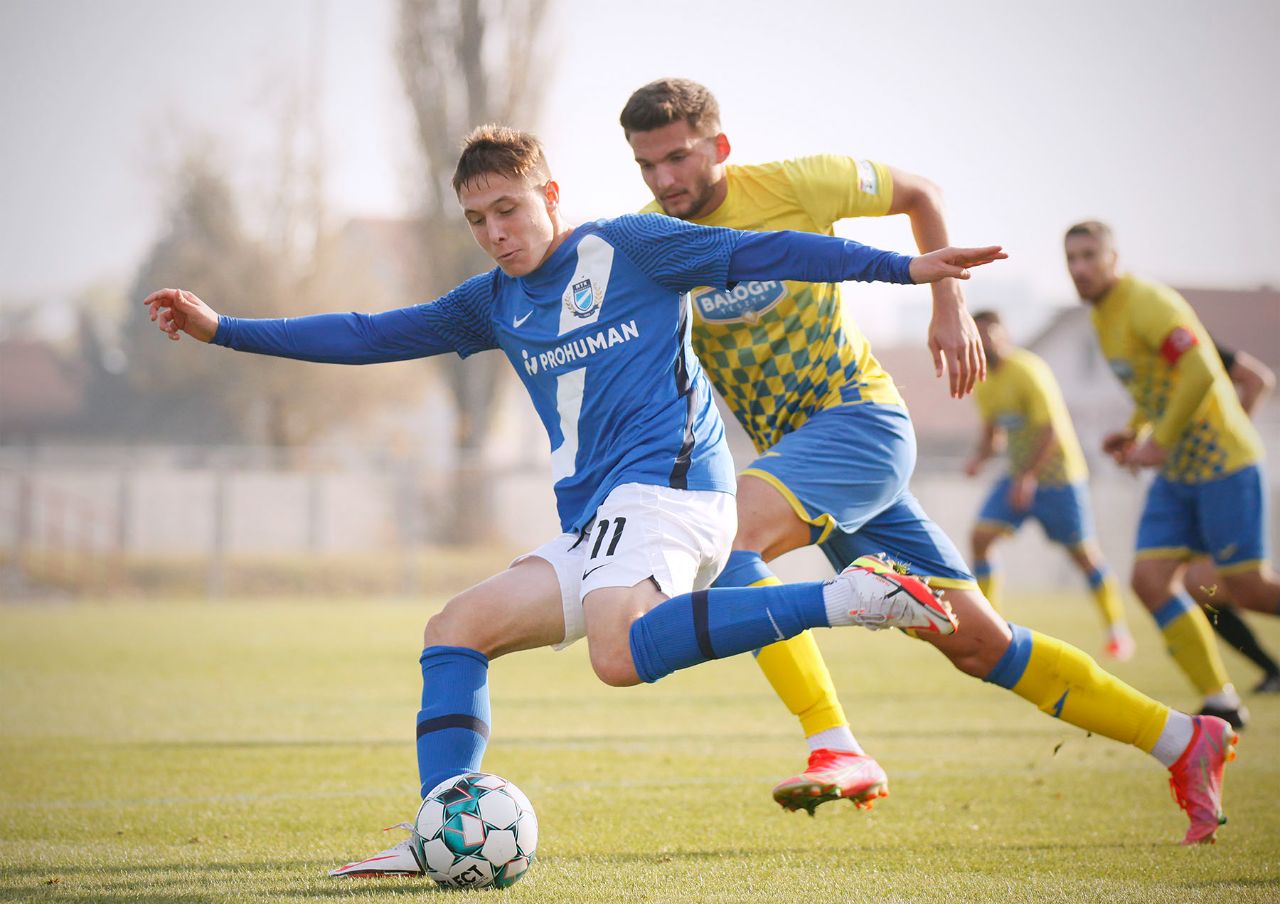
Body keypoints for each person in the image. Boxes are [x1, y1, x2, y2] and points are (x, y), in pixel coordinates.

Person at [144, 124, 1003, 879]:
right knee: (455, 630)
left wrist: (904, 269)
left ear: (550, 196)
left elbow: (766, 251)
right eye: (477, 220)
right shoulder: (492, 301)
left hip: (675, 492)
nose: (496, 232)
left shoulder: (632, 246)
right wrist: (225, 330)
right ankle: (442, 827)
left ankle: (849, 597)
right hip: (605, 521)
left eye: (509, 209)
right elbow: (369, 334)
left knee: (616, 653)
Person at [619, 79, 1236, 845]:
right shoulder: (652, 239)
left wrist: (947, 303)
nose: (665, 179)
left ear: (720, 146)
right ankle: (1182, 739)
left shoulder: (796, 185)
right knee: (980, 644)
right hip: (807, 465)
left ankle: (834, 743)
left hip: (859, 424)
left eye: (678, 157)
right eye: (647, 165)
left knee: (729, 540)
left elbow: (921, 193)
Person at [1066, 218, 1280, 731]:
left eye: (1090, 256)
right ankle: (1221, 700)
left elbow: (1201, 370)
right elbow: (1154, 384)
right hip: (1177, 472)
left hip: (1223, 463)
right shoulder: (1102, 317)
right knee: (1150, 580)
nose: (1080, 269)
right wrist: (1135, 431)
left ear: (1114, 258)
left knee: (1247, 590)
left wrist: (1158, 441)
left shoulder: (1148, 302)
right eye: (1071, 259)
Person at [964, 310, 1135, 660]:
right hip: (1018, 475)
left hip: (1059, 478)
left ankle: (1117, 631)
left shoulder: (1029, 371)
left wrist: (1028, 477)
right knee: (980, 538)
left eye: (990, 334)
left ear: (1005, 336)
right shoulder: (983, 380)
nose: (985, 342)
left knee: (1083, 555)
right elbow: (993, 433)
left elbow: (1051, 430)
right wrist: (979, 458)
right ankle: (991, 624)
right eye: (978, 336)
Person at [1184, 344, 1280, 692]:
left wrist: (1228, 439)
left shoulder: (1185, 337)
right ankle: (1274, 672)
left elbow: (1258, 379)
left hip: (1227, 474)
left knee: (1250, 588)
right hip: (1195, 480)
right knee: (1201, 586)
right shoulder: (1144, 357)